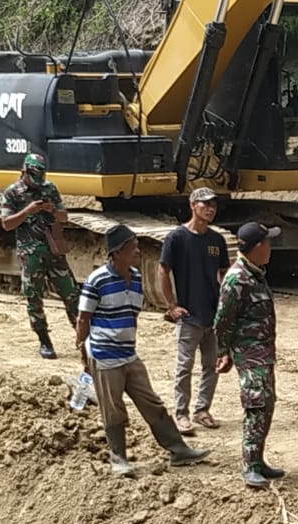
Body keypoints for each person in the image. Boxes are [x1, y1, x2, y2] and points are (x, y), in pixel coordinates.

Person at [75, 225, 209, 476]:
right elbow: (83, 318)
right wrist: (83, 351)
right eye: (132, 247)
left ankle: (178, 450)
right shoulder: (97, 281)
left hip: (129, 354)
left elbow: (132, 313)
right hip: (104, 357)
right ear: (116, 252)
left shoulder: (136, 277)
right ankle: (118, 459)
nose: (138, 251)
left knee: (151, 403)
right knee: (113, 409)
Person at [215, 222, 282, 488]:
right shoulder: (237, 279)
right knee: (256, 405)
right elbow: (222, 320)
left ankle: (258, 460)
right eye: (268, 243)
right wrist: (224, 352)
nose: (270, 248)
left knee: (266, 404)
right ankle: (249, 465)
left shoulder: (256, 273)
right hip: (249, 354)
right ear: (257, 247)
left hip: (263, 353)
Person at [159, 188, 230, 434]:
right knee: (184, 367)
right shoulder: (177, 238)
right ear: (192, 205)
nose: (210, 209)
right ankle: (181, 413)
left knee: (211, 365)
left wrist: (224, 306)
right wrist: (171, 305)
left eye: (213, 205)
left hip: (211, 316)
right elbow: (163, 270)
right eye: (205, 204)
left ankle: (202, 410)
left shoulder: (216, 240)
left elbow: (223, 274)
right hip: (189, 316)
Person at [0, 153, 79, 359]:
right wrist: (27, 210)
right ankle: (44, 340)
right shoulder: (12, 193)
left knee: (71, 293)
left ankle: (83, 337)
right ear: (24, 172)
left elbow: (64, 217)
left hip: (53, 249)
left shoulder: (49, 188)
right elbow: (7, 224)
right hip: (30, 253)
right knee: (33, 297)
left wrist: (52, 209)